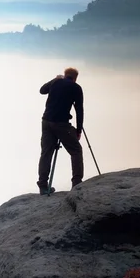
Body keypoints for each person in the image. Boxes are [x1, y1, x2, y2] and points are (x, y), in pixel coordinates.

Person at [36, 67, 84, 195]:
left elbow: (42, 90)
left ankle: (43, 186)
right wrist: (78, 130)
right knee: (76, 151)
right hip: (61, 124)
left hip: (46, 122)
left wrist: (55, 79)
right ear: (75, 78)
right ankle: (77, 184)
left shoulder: (56, 82)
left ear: (64, 75)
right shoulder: (76, 88)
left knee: (46, 153)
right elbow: (79, 110)